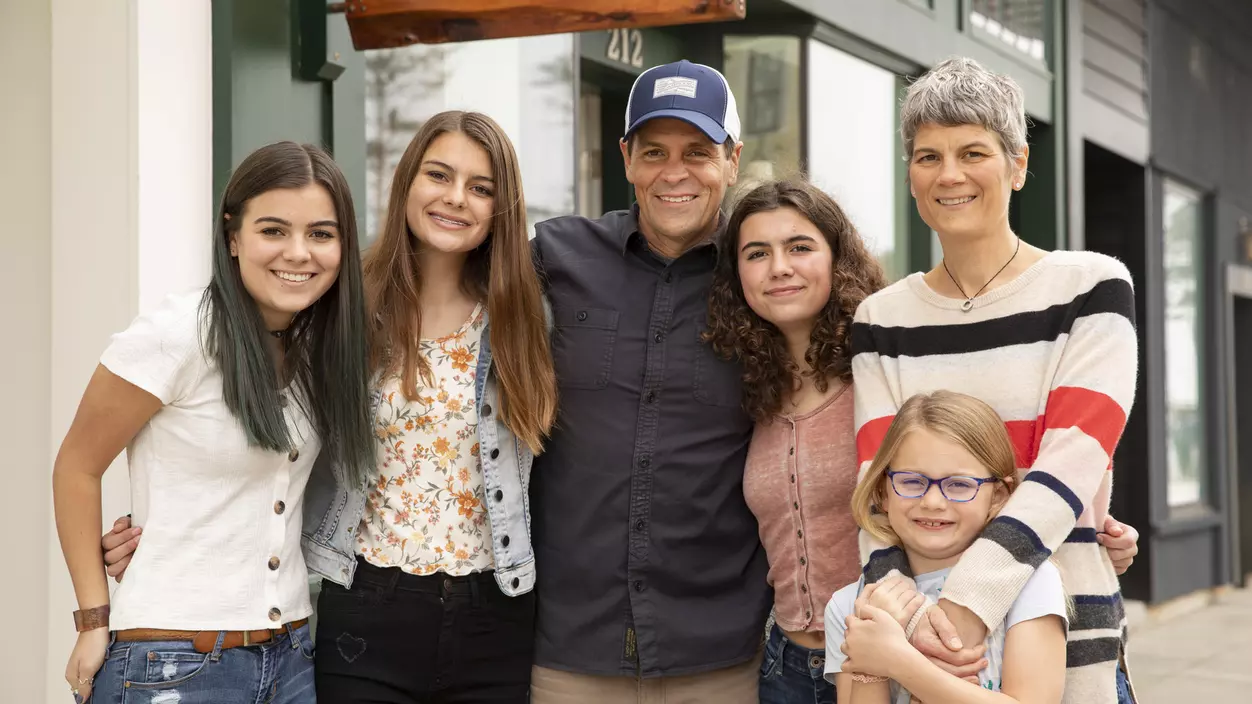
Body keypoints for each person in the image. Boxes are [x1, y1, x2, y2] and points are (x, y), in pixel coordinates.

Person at [99, 110, 558, 703]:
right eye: (438, 175)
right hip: (366, 611)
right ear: (407, 183)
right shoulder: (341, 308)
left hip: (498, 614)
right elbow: (260, 440)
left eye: (480, 187)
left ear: (502, 206)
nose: (455, 198)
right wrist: (158, 528)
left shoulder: (526, 317)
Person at [850, 57, 1139, 704]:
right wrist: (916, 617)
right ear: (910, 175)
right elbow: (875, 489)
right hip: (919, 644)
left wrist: (961, 608)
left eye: (973, 151)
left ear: (1018, 165)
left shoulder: (1091, 288)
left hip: (1066, 640)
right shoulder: (880, 319)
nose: (949, 174)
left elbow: (1069, 468)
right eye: (928, 157)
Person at [53, 141, 374, 704]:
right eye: (273, 230)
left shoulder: (318, 349)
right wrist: (91, 617)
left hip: (293, 652)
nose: (298, 253)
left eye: (321, 234)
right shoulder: (176, 334)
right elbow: (76, 467)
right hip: (173, 660)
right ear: (233, 237)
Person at [527, 60, 771, 702]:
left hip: (717, 654)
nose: (674, 173)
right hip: (568, 651)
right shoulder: (552, 257)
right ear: (626, 157)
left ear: (732, 159)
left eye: (698, 151)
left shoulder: (765, 279)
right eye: (654, 151)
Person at [703, 178, 887, 703]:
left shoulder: (880, 376)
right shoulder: (752, 392)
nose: (779, 267)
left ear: (837, 258)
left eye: (800, 247)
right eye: (757, 253)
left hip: (881, 664)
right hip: (784, 668)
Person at [827, 390, 1068, 704]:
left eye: (959, 485)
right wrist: (871, 670)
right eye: (912, 481)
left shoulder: (1028, 583)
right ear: (883, 492)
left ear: (997, 496)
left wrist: (898, 660)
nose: (933, 502)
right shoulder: (851, 606)